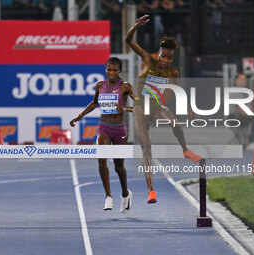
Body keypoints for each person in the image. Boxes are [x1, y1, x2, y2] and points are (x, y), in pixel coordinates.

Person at [125, 14, 201, 204]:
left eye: (169, 57)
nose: (165, 60)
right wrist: (135, 26)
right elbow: (128, 40)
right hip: (141, 107)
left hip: (157, 107)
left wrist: (189, 108)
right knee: (147, 148)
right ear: (158, 53)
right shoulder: (147, 60)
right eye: (163, 55)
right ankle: (151, 191)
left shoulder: (172, 72)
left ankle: (185, 150)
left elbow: (179, 89)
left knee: (175, 122)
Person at [70, 57, 134, 213]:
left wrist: (125, 109)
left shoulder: (125, 87)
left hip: (119, 130)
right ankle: (108, 196)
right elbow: (94, 103)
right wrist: (80, 115)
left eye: (115, 70)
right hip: (104, 127)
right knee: (101, 160)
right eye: (109, 70)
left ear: (120, 71)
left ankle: (125, 194)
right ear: (105, 70)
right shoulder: (100, 86)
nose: (111, 73)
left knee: (119, 167)